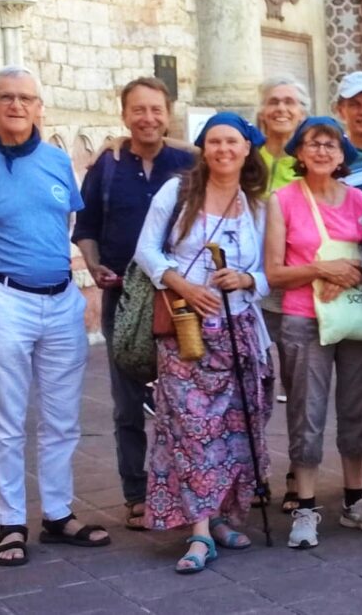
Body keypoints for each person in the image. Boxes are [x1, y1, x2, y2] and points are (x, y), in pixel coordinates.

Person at [0, 66, 110, 567]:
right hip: (4, 301)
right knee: (7, 421)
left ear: (39, 107)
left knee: (62, 419)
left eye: (25, 98)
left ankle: (58, 515)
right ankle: (10, 523)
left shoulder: (58, 162)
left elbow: (63, 225)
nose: (16, 105)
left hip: (60, 300)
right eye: (6, 97)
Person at [133, 112, 274, 573]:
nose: (223, 149)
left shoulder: (257, 207)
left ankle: (220, 518)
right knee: (194, 432)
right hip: (186, 332)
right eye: (214, 141)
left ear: (247, 149)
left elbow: (269, 273)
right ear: (203, 148)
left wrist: (246, 279)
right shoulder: (177, 192)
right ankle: (199, 533)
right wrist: (184, 286)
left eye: (232, 141)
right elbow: (146, 250)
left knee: (236, 431)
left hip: (240, 334)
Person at [264, 116, 362, 550]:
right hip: (304, 317)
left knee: (358, 407)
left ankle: (355, 500)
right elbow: (274, 273)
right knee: (307, 410)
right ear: (299, 153)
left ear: (342, 155)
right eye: (313, 143)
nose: (322, 151)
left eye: (330, 145)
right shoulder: (283, 200)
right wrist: (322, 269)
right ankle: (305, 505)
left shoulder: (357, 198)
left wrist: (346, 273)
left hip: (354, 315)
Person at [73, 77, 195, 531]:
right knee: (127, 403)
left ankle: (185, 488)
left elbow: (221, 156)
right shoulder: (106, 167)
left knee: (184, 400)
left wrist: (164, 139)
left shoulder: (187, 164)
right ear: (124, 114)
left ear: (169, 114)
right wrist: (94, 265)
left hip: (177, 298)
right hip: (123, 298)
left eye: (156, 110)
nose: (148, 118)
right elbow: (86, 227)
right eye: (138, 110)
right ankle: (137, 493)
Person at [256, 74, 311, 510]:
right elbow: (200, 154)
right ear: (261, 111)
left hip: (294, 288)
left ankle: (297, 473)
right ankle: (253, 472)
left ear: (303, 112)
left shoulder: (308, 159)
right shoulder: (247, 157)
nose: (281, 109)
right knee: (250, 385)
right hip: (251, 290)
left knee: (299, 388)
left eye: (290, 102)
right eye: (274, 101)